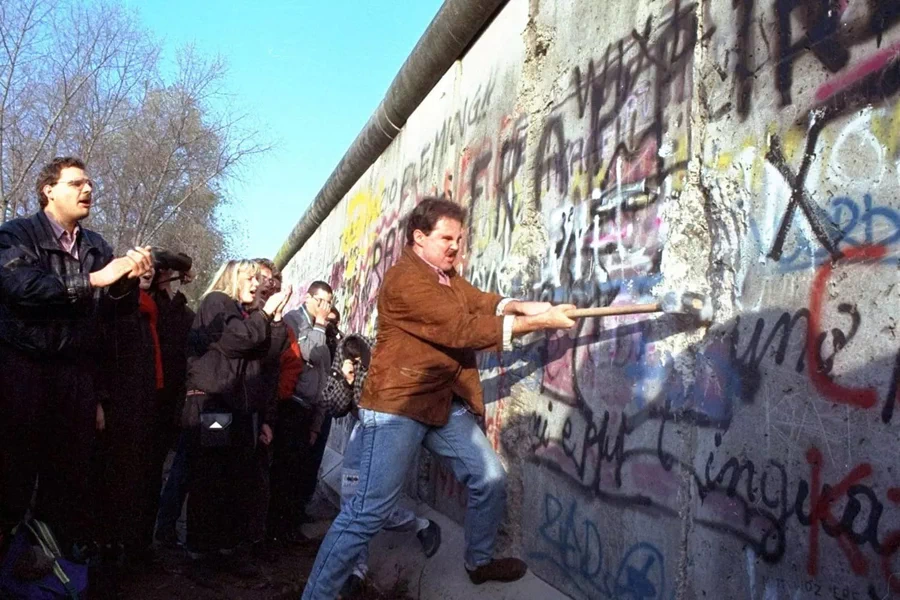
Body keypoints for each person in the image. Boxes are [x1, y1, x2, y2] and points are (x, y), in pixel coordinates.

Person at [301, 197, 576, 598]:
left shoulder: (444, 276)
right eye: (446, 237)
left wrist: (519, 305)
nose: (455, 246)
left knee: (489, 477)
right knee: (366, 512)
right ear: (418, 237)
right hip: (397, 406)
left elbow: (478, 301)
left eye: (459, 239)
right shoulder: (405, 280)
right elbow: (459, 328)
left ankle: (478, 562)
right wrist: (535, 323)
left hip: (440, 404)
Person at [0, 156, 152, 561]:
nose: (88, 190)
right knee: (11, 482)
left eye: (89, 183)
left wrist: (128, 283)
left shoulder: (96, 245)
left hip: (76, 381)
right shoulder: (15, 235)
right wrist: (93, 280)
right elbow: (23, 288)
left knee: (66, 484)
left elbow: (111, 321)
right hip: (21, 374)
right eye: (76, 183)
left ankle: (48, 571)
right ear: (48, 190)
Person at [184, 260, 291, 576]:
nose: (258, 284)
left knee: (234, 480)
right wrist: (263, 315)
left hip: (239, 409)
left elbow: (269, 354)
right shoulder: (216, 302)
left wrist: (275, 320)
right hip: (214, 405)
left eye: (260, 279)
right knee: (210, 477)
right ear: (233, 278)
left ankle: (225, 550)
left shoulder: (248, 315)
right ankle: (199, 554)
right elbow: (236, 341)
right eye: (251, 277)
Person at [319, 334, 441, 598]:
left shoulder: (382, 353)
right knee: (351, 499)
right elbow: (333, 406)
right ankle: (357, 569)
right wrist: (345, 379)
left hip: (387, 430)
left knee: (372, 504)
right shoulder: (344, 356)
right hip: (360, 430)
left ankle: (421, 525)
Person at [95, 263, 168, 567]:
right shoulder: (120, 310)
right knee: (116, 478)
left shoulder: (152, 310)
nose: (146, 272)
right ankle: (108, 548)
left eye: (151, 269)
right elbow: (100, 353)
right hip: (120, 405)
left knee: (138, 478)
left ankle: (130, 545)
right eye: (139, 268)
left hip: (145, 403)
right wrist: (99, 399)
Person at [268, 281, 334, 543]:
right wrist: (318, 325)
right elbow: (310, 353)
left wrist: (318, 420)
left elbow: (323, 373)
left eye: (329, 302)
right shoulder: (294, 321)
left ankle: (290, 524)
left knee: (299, 472)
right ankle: (274, 531)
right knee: (283, 472)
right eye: (322, 301)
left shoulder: (323, 327)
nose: (326, 307)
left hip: (309, 409)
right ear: (309, 298)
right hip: (291, 406)